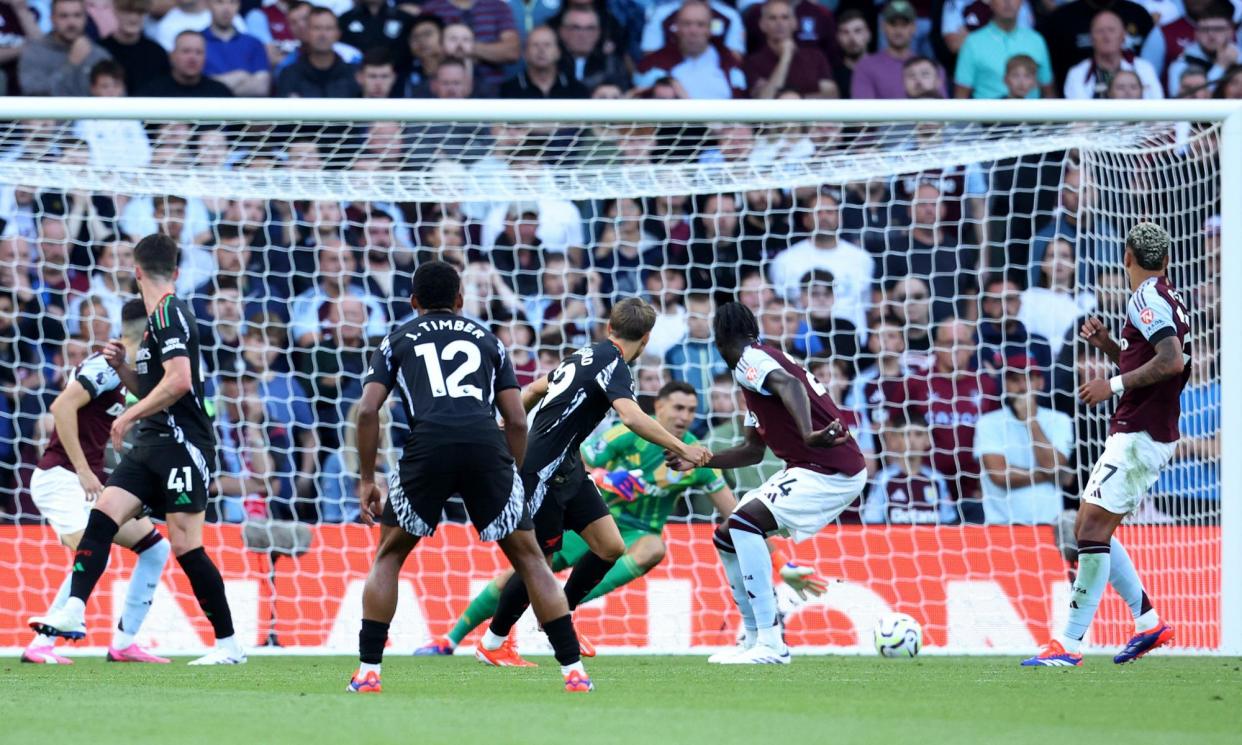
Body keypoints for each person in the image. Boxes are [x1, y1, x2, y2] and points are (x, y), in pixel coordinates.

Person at [346, 261, 593, 693]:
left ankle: (369, 672)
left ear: (414, 302)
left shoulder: (396, 339)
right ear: (460, 300)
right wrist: (516, 474)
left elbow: (368, 410)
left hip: (428, 448)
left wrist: (367, 478)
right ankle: (574, 672)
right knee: (532, 559)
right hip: (485, 447)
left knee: (389, 556)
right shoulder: (490, 340)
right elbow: (516, 419)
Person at [30, 233, 243, 666]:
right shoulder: (149, 326)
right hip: (149, 445)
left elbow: (180, 382)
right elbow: (150, 386)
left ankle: (228, 645)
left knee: (185, 546)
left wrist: (126, 416)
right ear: (177, 271)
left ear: (136, 271)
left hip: (183, 446)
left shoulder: (170, 312)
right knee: (104, 514)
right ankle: (73, 609)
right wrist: (122, 369)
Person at [417, 381, 737, 657]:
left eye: (691, 410)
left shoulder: (696, 455)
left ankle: (560, 610)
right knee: (523, 574)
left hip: (638, 533)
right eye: (678, 407)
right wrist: (606, 477)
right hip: (593, 521)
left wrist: (758, 536)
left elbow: (730, 511)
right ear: (658, 406)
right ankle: (450, 638)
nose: (684, 416)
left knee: (655, 547)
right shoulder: (627, 434)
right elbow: (579, 458)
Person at [473, 298, 711, 668]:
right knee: (540, 564)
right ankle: (493, 642)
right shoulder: (615, 365)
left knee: (610, 547)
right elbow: (631, 417)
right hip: (544, 471)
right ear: (646, 340)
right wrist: (685, 447)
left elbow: (535, 389)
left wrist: (508, 420)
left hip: (571, 467)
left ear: (608, 328)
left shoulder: (584, 354)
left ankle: (559, 613)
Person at [1023, 222, 1188, 667]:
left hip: (1140, 432)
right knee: (1091, 526)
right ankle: (1148, 622)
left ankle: (1069, 646)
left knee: (1090, 530)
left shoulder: (1145, 297)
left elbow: (1171, 361)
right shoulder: (1166, 296)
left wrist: (1111, 383)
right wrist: (1109, 346)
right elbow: (1154, 358)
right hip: (1142, 428)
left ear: (1127, 256)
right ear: (1166, 259)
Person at [667, 302, 864, 664]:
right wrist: (699, 457)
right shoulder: (757, 374)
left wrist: (808, 434)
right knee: (726, 535)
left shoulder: (750, 360)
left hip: (828, 469)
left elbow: (790, 385)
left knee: (744, 525)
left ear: (721, 339)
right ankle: (754, 637)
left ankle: (773, 643)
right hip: (812, 465)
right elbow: (752, 451)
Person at [23, 300, 171, 665]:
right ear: (148, 332)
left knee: (155, 549)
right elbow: (60, 408)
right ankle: (41, 646)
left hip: (85, 478)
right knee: (89, 551)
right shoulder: (103, 365)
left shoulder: (127, 369)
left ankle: (123, 643)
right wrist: (85, 470)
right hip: (61, 476)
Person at [973, 353, 1072, 525]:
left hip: (1050, 524)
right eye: (1014, 380)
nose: (1022, 386)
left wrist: (1031, 420)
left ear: (1040, 383)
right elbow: (999, 475)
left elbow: (1052, 465)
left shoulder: (1060, 419)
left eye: (1028, 378)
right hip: (1002, 525)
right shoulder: (988, 422)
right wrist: (1053, 475)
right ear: (1005, 385)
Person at [769, 187, 873, 331]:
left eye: (829, 212)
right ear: (805, 220)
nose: (824, 217)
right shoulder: (785, 261)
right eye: (818, 212)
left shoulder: (862, 259)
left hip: (853, 346)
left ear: (840, 218)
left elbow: (868, 309)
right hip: (804, 345)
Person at [634, 0, 747, 99]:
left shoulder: (728, 64)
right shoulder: (656, 65)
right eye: (687, 24)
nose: (693, 31)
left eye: (700, 25)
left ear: (710, 29)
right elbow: (638, 93)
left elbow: (741, 98)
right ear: (676, 27)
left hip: (725, 122)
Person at [862, 408, 955, 525]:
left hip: (929, 542)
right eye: (905, 434)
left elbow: (948, 522)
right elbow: (872, 521)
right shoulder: (883, 479)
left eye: (918, 434)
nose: (912, 440)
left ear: (928, 440)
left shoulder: (937, 479)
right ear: (894, 440)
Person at [955, 0, 1054, 98]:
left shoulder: (1036, 41)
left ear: (1022, 2)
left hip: (1031, 113)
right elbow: (960, 97)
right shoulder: (972, 42)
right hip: (988, 113)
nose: (1008, 1)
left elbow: (1049, 94)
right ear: (989, 2)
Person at [744, 0, 837, 99]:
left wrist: (798, 99)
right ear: (762, 25)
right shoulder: (753, 62)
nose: (779, 23)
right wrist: (785, 58)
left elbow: (831, 95)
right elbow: (763, 99)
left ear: (794, 23)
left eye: (785, 17)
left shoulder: (816, 57)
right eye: (772, 18)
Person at [18, 0, 111, 96]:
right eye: (64, 16)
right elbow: (33, 92)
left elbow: (118, 96)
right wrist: (71, 64)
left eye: (77, 15)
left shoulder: (99, 55)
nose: (71, 23)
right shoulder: (35, 52)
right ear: (52, 19)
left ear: (85, 19)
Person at [1063, 9, 1163, 98]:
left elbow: (1157, 108)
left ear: (1123, 35)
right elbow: (1079, 115)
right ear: (1091, 37)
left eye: (1111, 30)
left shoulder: (1144, 68)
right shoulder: (1077, 73)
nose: (1106, 36)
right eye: (1100, 31)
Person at [852, 0, 942, 99]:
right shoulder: (866, 66)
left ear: (913, 27)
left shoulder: (931, 68)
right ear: (883, 26)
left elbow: (943, 110)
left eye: (904, 25)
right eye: (893, 24)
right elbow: (863, 111)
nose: (898, 30)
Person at [275, 6, 360, 97]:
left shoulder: (354, 74)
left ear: (338, 34)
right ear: (307, 32)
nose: (322, 34)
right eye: (317, 28)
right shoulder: (289, 74)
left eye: (328, 28)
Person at [1165, 2, 1238, 96]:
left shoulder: (1239, 59)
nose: (1211, 35)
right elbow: (1180, 99)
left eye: (1218, 29)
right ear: (1196, 34)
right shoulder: (1181, 64)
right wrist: (1220, 67)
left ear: (1231, 32)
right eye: (1205, 29)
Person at [99, 0, 170, 94]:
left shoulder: (157, 53)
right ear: (115, 11)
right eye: (127, 11)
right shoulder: (100, 51)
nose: (133, 18)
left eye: (140, 12)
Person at [201, 0, 270, 96]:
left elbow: (261, 88)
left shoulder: (254, 43)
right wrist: (240, 76)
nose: (226, 8)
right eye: (219, 2)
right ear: (207, 4)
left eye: (232, 2)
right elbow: (194, 86)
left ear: (239, 5)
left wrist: (214, 85)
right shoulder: (197, 41)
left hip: (246, 109)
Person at [136, 29, 235, 96]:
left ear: (205, 57)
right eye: (186, 51)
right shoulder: (152, 93)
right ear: (172, 56)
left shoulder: (219, 92)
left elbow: (244, 124)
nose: (192, 58)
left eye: (198, 52)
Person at [499, 25, 587, 98]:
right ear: (525, 53)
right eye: (535, 45)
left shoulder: (575, 89)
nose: (541, 50)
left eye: (547, 45)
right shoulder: (509, 90)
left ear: (558, 52)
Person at [833, 8, 870, 98]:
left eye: (857, 31)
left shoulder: (881, 71)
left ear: (868, 34)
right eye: (845, 32)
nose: (852, 38)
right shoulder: (832, 76)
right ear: (838, 37)